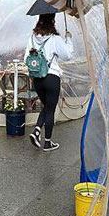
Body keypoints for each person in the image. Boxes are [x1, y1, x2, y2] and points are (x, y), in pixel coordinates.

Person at [25, 13, 73, 152]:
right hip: (51, 78)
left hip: (37, 79)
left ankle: (36, 130)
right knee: (50, 109)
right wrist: (68, 39)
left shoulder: (32, 39)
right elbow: (67, 56)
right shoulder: (55, 38)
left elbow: (25, 59)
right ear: (52, 21)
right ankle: (47, 143)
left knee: (46, 106)